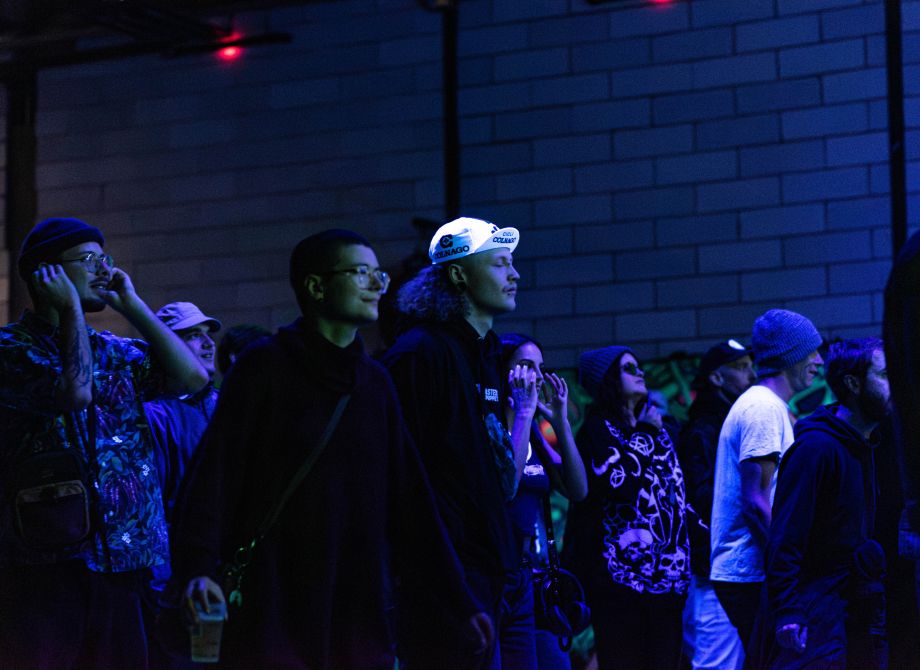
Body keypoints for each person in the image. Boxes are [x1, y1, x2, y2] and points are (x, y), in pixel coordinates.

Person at [171, 229, 489, 670]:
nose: (377, 284)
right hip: (275, 601)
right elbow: (215, 475)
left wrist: (461, 603)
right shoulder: (265, 367)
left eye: (379, 274)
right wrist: (198, 568)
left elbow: (413, 503)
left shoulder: (374, 383)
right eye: (361, 272)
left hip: (356, 608)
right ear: (316, 286)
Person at [0, 217, 209, 669]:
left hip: (124, 562)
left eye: (104, 258)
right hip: (47, 564)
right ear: (45, 273)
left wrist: (132, 305)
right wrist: (70, 310)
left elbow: (192, 379)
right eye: (88, 260)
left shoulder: (114, 348)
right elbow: (74, 392)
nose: (103, 269)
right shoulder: (10, 349)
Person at [381, 216, 521, 668]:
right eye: (499, 264)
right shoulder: (420, 353)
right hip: (442, 577)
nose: (514, 275)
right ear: (459, 274)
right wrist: (441, 580)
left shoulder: (487, 352)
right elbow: (404, 475)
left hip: (485, 567)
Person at [565, 345, 695, 670]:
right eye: (628, 368)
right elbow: (619, 486)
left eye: (639, 367)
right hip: (620, 585)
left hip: (667, 583)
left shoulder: (659, 430)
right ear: (607, 378)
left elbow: (675, 498)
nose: (640, 374)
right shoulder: (597, 431)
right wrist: (646, 433)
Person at [763, 338, 889, 669]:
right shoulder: (816, 449)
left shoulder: (868, 443)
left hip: (853, 611)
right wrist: (789, 610)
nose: (895, 386)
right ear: (853, 384)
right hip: (817, 619)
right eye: (884, 375)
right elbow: (785, 536)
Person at [709, 309, 823, 654]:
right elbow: (756, 502)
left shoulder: (768, 406)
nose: (819, 362)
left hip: (753, 571)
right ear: (790, 356)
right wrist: (788, 569)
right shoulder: (763, 409)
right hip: (751, 572)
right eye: (811, 352)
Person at [500, 333, 588, 669]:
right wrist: (523, 413)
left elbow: (577, 489)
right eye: (526, 366)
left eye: (540, 367)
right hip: (503, 575)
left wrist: (560, 423)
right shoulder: (493, 427)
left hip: (535, 578)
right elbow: (508, 483)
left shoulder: (534, 431)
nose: (537, 376)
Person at [678, 339, 755, 670]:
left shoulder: (725, 422)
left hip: (726, 566)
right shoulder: (705, 430)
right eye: (741, 367)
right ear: (716, 378)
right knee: (717, 662)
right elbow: (702, 499)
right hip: (715, 569)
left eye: (751, 365)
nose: (751, 374)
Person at [145, 302, 222, 525]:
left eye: (208, 335)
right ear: (167, 346)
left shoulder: (224, 402)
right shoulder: (154, 415)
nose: (209, 343)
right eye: (194, 335)